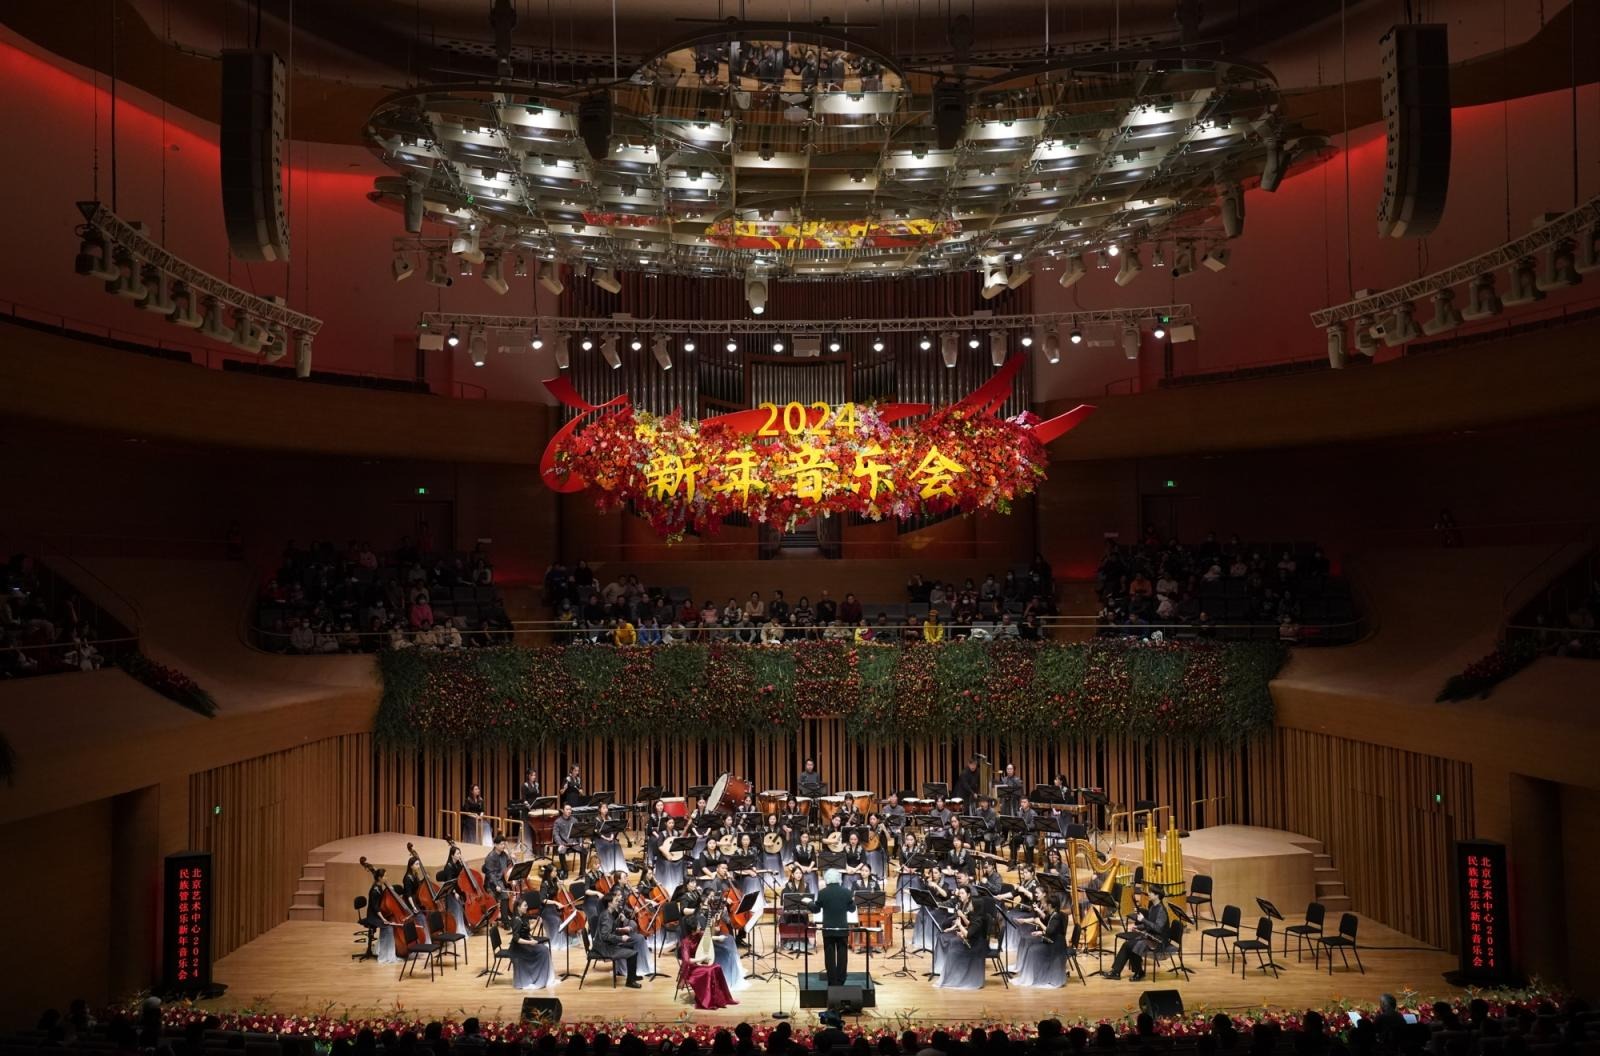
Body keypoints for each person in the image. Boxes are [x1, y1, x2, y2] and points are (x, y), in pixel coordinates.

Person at [1103, 887, 1169, 981]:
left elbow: (1158, 928)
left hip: (1158, 940)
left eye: (1151, 892)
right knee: (1127, 944)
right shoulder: (1153, 907)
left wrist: (1143, 920)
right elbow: (1149, 925)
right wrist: (1138, 927)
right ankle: (1116, 972)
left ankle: (1139, 972)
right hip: (1150, 936)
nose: (1148, 894)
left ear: (1157, 895)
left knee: (1133, 946)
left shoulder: (1161, 910)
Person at [595, 888, 643, 987]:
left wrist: (622, 930)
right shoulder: (606, 916)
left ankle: (632, 976)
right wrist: (621, 938)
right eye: (616, 901)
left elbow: (610, 930)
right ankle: (630, 982)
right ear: (609, 903)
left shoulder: (609, 914)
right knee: (633, 954)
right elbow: (605, 936)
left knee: (631, 945)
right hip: (604, 947)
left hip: (607, 944)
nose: (618, 903)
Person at [815, 868, 855, 986]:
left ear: (827, 879)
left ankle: (832, 980)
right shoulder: (846, 892)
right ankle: (841, 979)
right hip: (842, 928)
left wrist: (809, 903)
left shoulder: (822, 893)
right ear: (839, 879)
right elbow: (852, 909)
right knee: (842, 955)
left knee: (829, 955)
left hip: (828, 929)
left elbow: (816, 909)